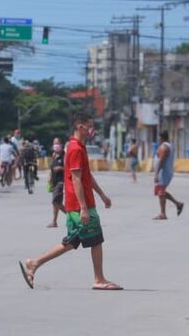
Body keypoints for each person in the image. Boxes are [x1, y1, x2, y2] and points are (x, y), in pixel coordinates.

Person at [19, 113, 119, 290]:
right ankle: (99, 279)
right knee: (96, 240)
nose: (92, 130)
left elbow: (86, 176)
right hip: (80, 205)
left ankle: (35, 263)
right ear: (80, 127)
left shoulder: (79, 147)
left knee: (71, 242)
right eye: (89, 126)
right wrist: (83, 208)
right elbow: (76, 179)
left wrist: (102, 195)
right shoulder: (75, 149)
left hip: (80, 204)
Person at [153, 130, 184, 220]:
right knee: (161, 192)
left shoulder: (164, 147)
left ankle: (163, 214)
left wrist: (156, 173)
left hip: (163, 172)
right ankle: (178, 204)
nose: (158, 139)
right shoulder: (169, 146)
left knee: (161, 192)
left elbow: (161, 161)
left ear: (161, 137)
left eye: (159, 137)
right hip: (165, 172)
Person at [47, 143, 65, 228]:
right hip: (54, 182)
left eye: (58, 143)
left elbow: (69, 168)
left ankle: (74, 217)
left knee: (56, 202)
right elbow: (51, 169)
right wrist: (50, 178)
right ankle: (54, 222)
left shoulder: (64, 157)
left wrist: (60, 168)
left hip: (60, 182)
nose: (56, 146)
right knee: (56, 203)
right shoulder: (54, 157)